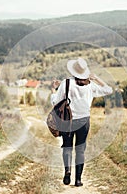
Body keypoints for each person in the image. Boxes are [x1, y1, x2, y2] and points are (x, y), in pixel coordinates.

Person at [50, 58, 113, 187]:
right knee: (80, 150)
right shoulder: (90, 85)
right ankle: (78, 180)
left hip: (68, 121)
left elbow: (55, 102)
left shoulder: (66, 83)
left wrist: (53, 91)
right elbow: (108, 90)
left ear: (73, 71)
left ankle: (67, 171)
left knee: (67, 146)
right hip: (84, 121)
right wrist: (96, 78)